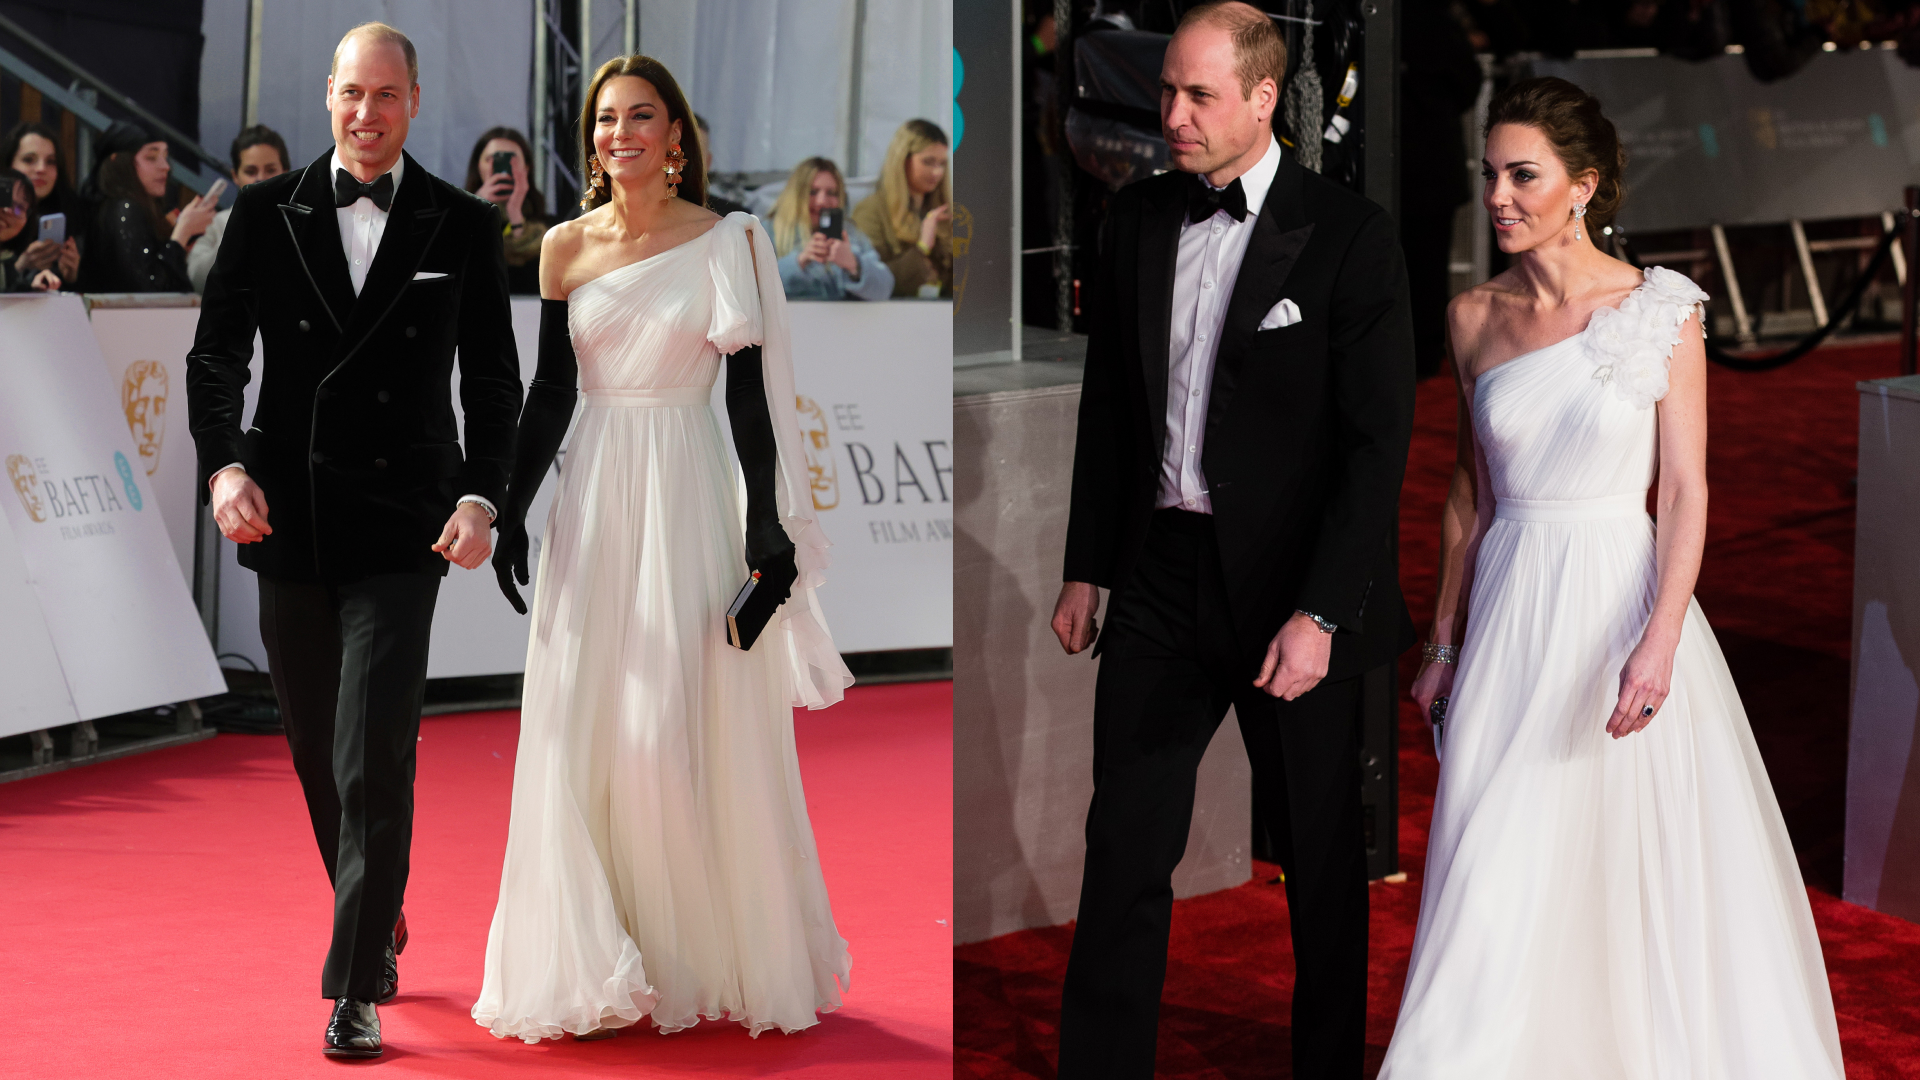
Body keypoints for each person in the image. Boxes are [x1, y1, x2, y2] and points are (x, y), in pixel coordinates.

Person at [1378, 76, 1844, 1079]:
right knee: (1498, 854)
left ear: (1583, 186)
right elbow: (1471, 491)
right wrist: (1446, 636)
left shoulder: (1659, 310)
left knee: (1624, 851)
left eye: (1523, 175)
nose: (1499, 194)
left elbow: (1684, 492)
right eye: (1489, 173)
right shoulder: (1471, 315)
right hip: (1509, 608)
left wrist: (1660, 639)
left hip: (1615, 602)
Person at [1048, 4, 1416, 1078]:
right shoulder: (1138, 219)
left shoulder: (1349, 237)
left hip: (1290, 590)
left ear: (1264, 98)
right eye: (1166, 90)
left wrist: (1322, 614)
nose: (1171, 115)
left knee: (1317, 859)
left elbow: (1374, 448)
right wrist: (1087, 563)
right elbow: (1110, 403)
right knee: (1124, 842)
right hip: (1161, 573)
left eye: (1198, 95)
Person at [471, 52, 853, 1043]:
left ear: (676, 135)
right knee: (581, 728)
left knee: (668, 729)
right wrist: (511, 504)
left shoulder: (726, 241)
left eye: (641, 117)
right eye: (605, 119)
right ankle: (605, 956)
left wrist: (765, 525)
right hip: (596, 496)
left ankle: (684, 954)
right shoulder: (561, 247)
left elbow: (748, 402)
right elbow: (552, 391)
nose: (619, 134)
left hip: (686, 488)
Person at [184, 22, 521, 1060]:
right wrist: (224, 465)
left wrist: (481, 497)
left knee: (374, 750)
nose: (367, 115)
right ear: (327, 96)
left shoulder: (459, 223)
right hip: (286, 516)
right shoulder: (264, 209)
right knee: (315, 753)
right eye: (350, 95)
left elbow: (497, 385)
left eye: (386, 96)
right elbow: (213, 360)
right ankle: (376, 900)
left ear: (415, 100)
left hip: (402, 522)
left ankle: (358, 974)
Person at [85, 121, 216, 292]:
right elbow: (150, 288)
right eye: (151, 157)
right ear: (118, 162)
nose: (166, 167)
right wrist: (181, 234)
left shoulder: (139, 209)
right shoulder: (124, 208)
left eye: (165, 156)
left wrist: (181, 248)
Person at [769, 156, 893, 301]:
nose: (822, 201)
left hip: (843, 323)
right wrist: (799, 261)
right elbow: (755, 288)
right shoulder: (769, 232)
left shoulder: (851, 234)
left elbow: (885, 289)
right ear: (796, 195)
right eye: (813, 192)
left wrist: (855, 266)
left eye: (831, 193)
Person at [851, 119, 950, 297]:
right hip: (891, 319)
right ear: (902, 160)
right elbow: (873, 282)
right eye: (928, 162)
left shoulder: (944, 211)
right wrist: (922, 248)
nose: (937, 172)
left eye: (942, 163)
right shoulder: (871, 211)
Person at [188, 124, 290, 293]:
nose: (261, 179)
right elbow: (197, 280)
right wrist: (237, 233)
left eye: (271, 170)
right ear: (235, 176)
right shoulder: (216, 224)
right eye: (251, 171)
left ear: (286, 172)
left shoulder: (305, 220)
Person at [463, 126, 547, 294]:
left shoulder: (548, 228)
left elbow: (534, 278)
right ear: (478, 166)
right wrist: (475, 208)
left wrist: (516, 215)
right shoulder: (455, 218)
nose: (501, 168)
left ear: (526, 168)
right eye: (491, 159)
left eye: (511, 160)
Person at [3, 121, 83, 287]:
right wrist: (19, 266)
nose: (41, 169)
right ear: (8, 165)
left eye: (51, 162)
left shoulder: (72, 213)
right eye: (29, 160)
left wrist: (70, 276)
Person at [0, 168, 63, 291]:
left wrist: (32, 290)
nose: (7, 210)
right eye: (2, 198)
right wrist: (19, 267)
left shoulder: (8, 259)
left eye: (19, 208)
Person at [693, 114, 750, 217]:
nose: (686, 161)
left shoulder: (735, 218)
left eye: (696, 155)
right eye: (679, 151)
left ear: (708, 162)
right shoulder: (655, 216)